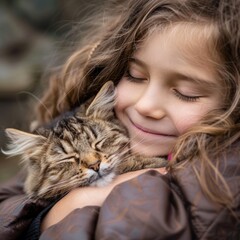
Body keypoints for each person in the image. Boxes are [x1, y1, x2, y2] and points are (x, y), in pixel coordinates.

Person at [1, 0, 240, 239]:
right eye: (135, 76)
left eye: (186, 92)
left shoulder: (220, 184)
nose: (146, 106)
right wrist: (55, 212)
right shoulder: (101, 120)